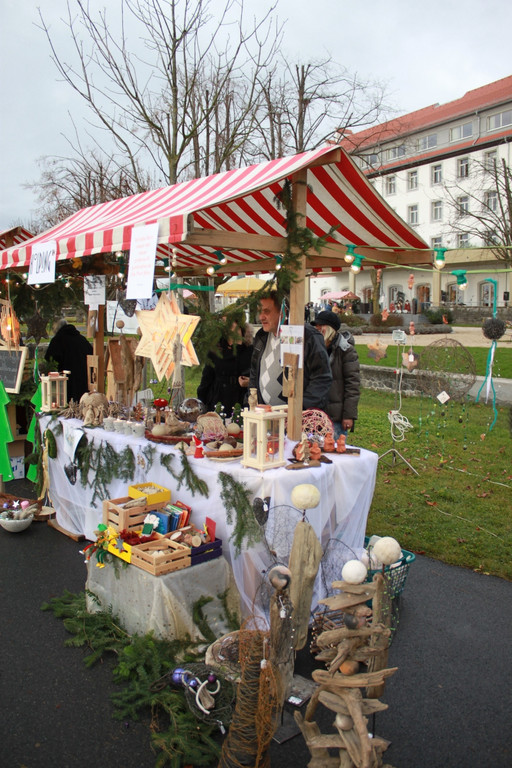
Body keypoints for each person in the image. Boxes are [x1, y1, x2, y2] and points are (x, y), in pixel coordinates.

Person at [248, 292, 332, 409]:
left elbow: (322, 378)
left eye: (266, 311)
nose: (261, 317)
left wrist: (299, 408)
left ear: (282, 312)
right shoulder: (261, 336)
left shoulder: (307, 336)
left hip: (297, 420)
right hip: (266, 417)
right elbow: (254, 372)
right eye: (259, 312)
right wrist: (253, 401)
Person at [311, 310, 361, 439]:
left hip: (336, 417)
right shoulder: (316, 349)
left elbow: (353, 385)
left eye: (320, 326)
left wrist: (348, 415)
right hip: (316, 414)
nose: (317, 329)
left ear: (330, 329)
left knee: (334, 453)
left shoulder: (346, 351)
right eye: (316, 326)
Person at [197, 320, 253, 415]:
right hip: (219, 398)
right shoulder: (216, 349)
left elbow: (257, 374)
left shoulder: (250, 349)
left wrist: (249, 382)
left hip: (241, 398)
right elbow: (206, 378)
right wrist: (201, 401)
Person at [45, 319, 93, 402]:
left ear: (56, 329)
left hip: (66, 380)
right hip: (84, 377)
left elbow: (49, 359)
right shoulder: (82, 339)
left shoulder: (57, 340)